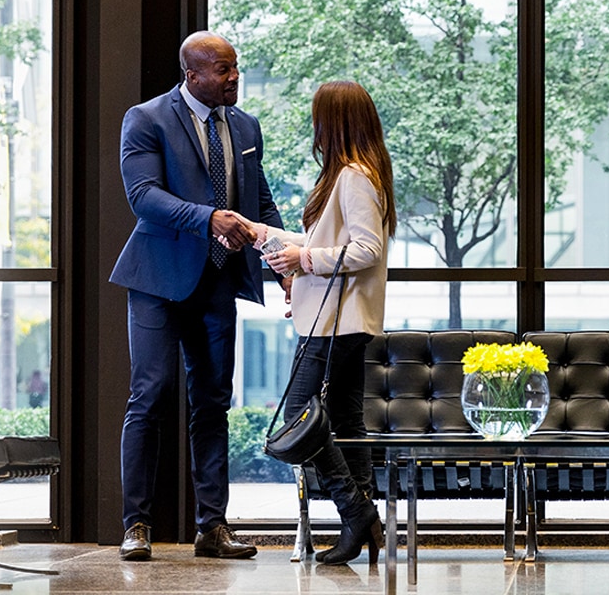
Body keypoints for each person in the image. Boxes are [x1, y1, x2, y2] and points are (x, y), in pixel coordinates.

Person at [111, 31, 289, 561]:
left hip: (217, 282)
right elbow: (143, 197)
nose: (234, 77)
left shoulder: (245, 125)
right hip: (158, 282)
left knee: (212, 403)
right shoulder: (145, 118)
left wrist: (282, 260)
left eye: (235, 67)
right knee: (151, 395)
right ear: (193, 74)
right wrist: (208, 218)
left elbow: (259, 200)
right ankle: (136, 524)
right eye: (223, 69)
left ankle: (212, 528)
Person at [232, 80, 397, 565]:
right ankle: (364, 525)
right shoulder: (355, 173)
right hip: (342, 319)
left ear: (334, 122)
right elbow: (325, 240)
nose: (314, 127)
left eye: (318, 118)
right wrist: (265, 235)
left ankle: (356, 511)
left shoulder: (354, 176)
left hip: (335, 323)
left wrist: (305, 259)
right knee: (346, 421)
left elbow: (367, 250)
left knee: (298, 416)